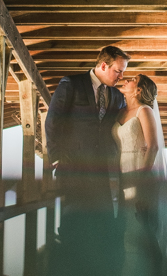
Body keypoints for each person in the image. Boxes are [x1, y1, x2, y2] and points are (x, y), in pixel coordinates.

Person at [44, 46, 131, 276]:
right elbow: (53, 120)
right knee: (72, 224)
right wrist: (56, 158)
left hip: (102, 173)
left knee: (100, 224)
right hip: (72, 168)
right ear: (103, 65)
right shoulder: (70, 84)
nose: (121, 76)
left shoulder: (116, 96)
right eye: (118, 71)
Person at [112, 74, 167, 276]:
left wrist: (142, 184)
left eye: (132, 79)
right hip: (121, 173)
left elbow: (152, 147)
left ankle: (152, 270)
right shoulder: (118, 112)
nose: (125, 79)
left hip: (139, 171)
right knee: (126, 228)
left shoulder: (145, 111)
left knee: (140, 227)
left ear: (139, 90)